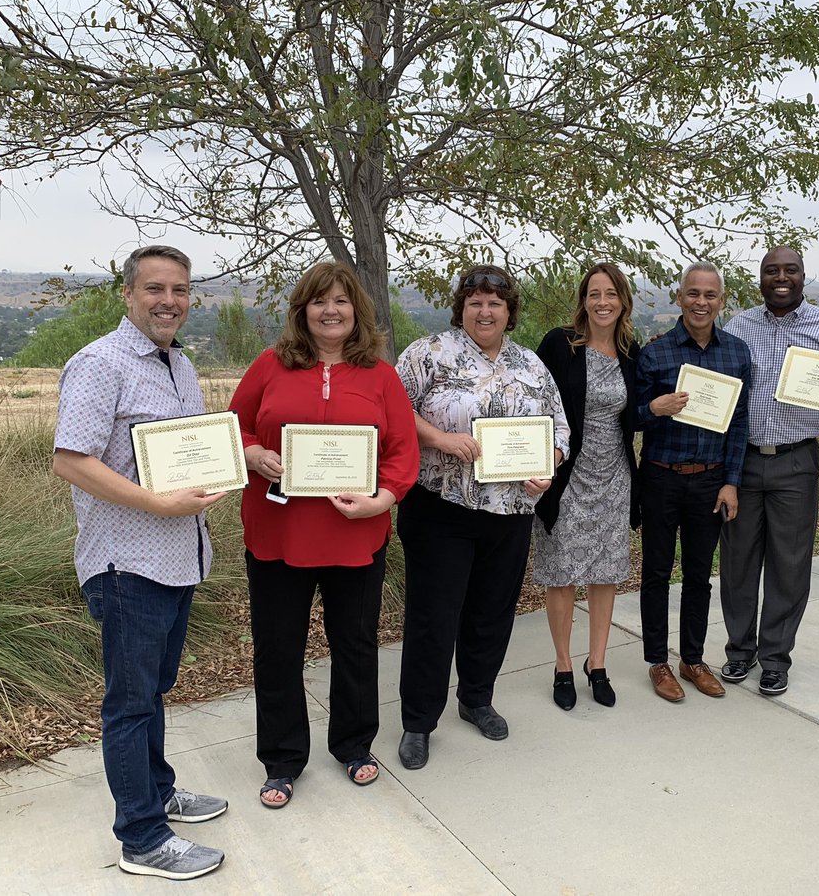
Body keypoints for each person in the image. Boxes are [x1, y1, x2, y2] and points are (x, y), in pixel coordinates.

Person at [53, 245, 229, 880]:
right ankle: (142, 839)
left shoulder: (178, 366)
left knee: (153, 691)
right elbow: (71, 460)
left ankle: (157, 792)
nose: (169, 301)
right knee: (130, 703)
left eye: (180, 290)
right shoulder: (101, 364)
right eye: (155, 288)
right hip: (128, 563)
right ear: (127, 294)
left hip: (178, 558)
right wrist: (158, 502)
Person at [229, 262, 420, 808]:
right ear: (302, 311)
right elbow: (234, 425)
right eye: (319, 302)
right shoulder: (269, 366)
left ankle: (354, 746)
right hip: (277, 534)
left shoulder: (381, 376)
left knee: (355, 645)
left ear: (356, 311)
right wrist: (253, 453)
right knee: (278, 649)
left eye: (341, 301)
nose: (330, 310)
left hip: (355, 535)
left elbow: (402, 451)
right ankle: (283, 760)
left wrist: (382, 500)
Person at [394, 265, 571, 769]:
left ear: (509, 310)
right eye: (475, 302)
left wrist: (547, 467)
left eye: (495, 302)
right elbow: (393, 409)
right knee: (434, 618)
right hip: (442, 507)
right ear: (462, 308)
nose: (485, 310)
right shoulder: (428, 353)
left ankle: (476, 698)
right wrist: (440, 439)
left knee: (492, 611)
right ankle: (418, 721)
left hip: (510, 511)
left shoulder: (532, 366)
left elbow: (559, 431)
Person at [719, 246, 819, 697]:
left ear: (802, 276)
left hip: (797, 460)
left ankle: (775, 659)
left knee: (789, 565)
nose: (781, 277)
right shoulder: (738, 326)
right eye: (771, 270)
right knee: (738, 561)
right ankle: (740, 651)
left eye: (790, 270)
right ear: (760, 278)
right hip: (742, 459)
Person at [636, 260, 751, 702]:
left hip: (710, 482)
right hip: (662, 478)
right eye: (693, 294)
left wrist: (731, 481)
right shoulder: (656, 353)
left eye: (710, 295)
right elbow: (632, 417)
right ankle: (657, 663)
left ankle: (693, 659)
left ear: (721, 301)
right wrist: (654, 410)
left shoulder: (736, 353)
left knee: (700, 575)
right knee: (657, 573)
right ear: (679, 297)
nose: (701, 302)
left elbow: (738, 424)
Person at [532, 262, 641, 711]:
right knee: (560, 575)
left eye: (610, 293)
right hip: (566, 475)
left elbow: (633, 417)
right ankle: (562, 664)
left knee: (605, 573)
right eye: (594, 293)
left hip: (614, 475)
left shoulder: (631, 351)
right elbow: (533, 399)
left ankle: (597, 664)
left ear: (622, 301)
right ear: (583, 300)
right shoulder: (560, 344)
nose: (602, 302)